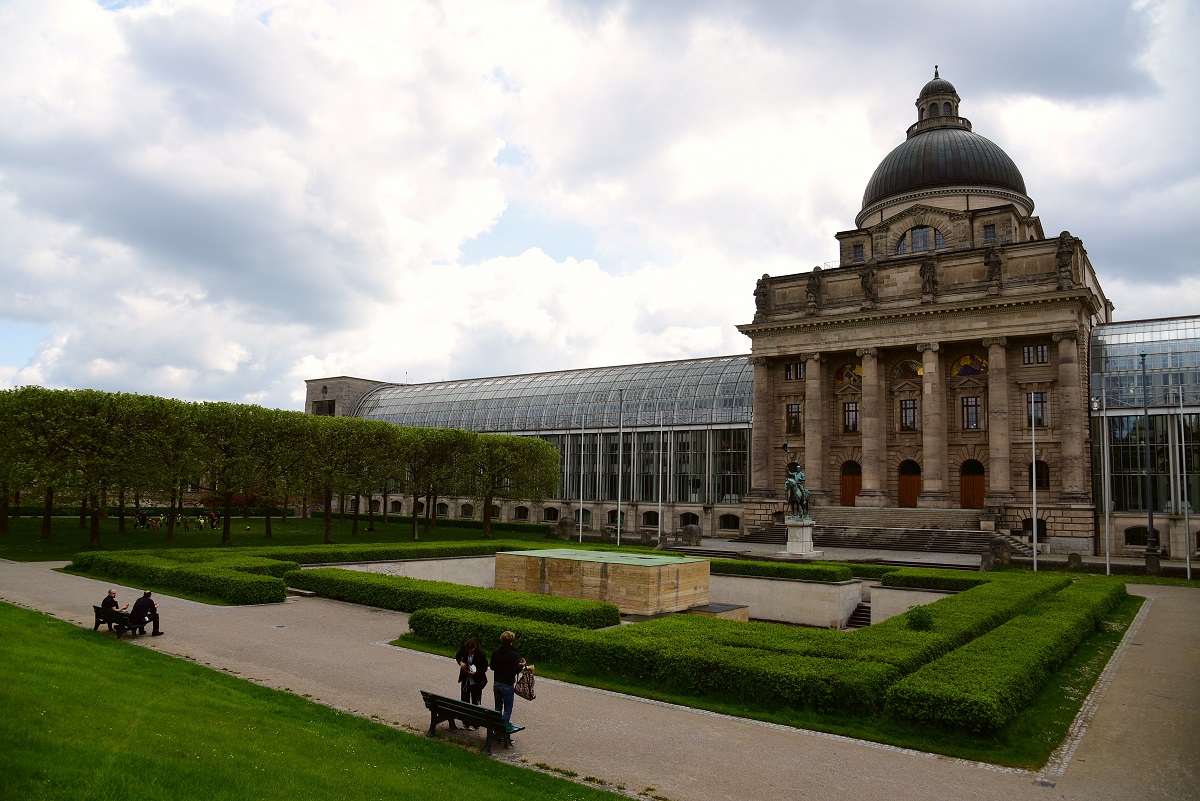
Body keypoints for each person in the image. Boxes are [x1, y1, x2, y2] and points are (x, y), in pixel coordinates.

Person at [490, 630, 533, 728]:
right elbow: (514, 670)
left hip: (497, 682)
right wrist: (521, 665)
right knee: (508, 709)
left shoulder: (496, 652)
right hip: (507, 684)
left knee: (497, 708)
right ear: (512, 641)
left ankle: (496, 728)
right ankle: (502, 731)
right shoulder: (513, 654)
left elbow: (492, 667)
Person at [455, 637, 489, 729]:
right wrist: (461, 662)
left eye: (472, 650)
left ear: (475, 647)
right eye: (469, 650)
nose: (470, 652)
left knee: (475, 701)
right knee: (464, 700)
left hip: (476, 681)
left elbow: (484, 667)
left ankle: (475, 723)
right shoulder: (464, 649)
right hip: (466, 679)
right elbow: (457, 656)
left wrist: (475, 673)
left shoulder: (481, 654)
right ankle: (465, 722)